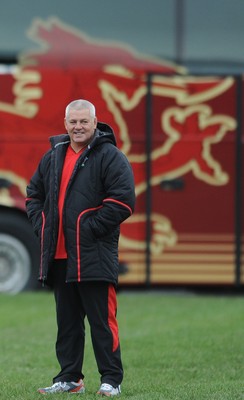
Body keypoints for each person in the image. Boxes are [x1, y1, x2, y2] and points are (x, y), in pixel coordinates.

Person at [26, 99, 135, 396]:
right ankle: (69, 378)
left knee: (103, 323)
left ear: (95, 122)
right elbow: (33, 195)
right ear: (65, 124)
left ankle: (111, 380)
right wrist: (42, 225)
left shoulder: (110, 156)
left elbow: (123, 201)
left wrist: (88, 229)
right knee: (68, 325)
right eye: (73, 122)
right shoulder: (53, 156)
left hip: (93, 255)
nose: (78, 127)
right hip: (59, 257)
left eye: (83, 121)